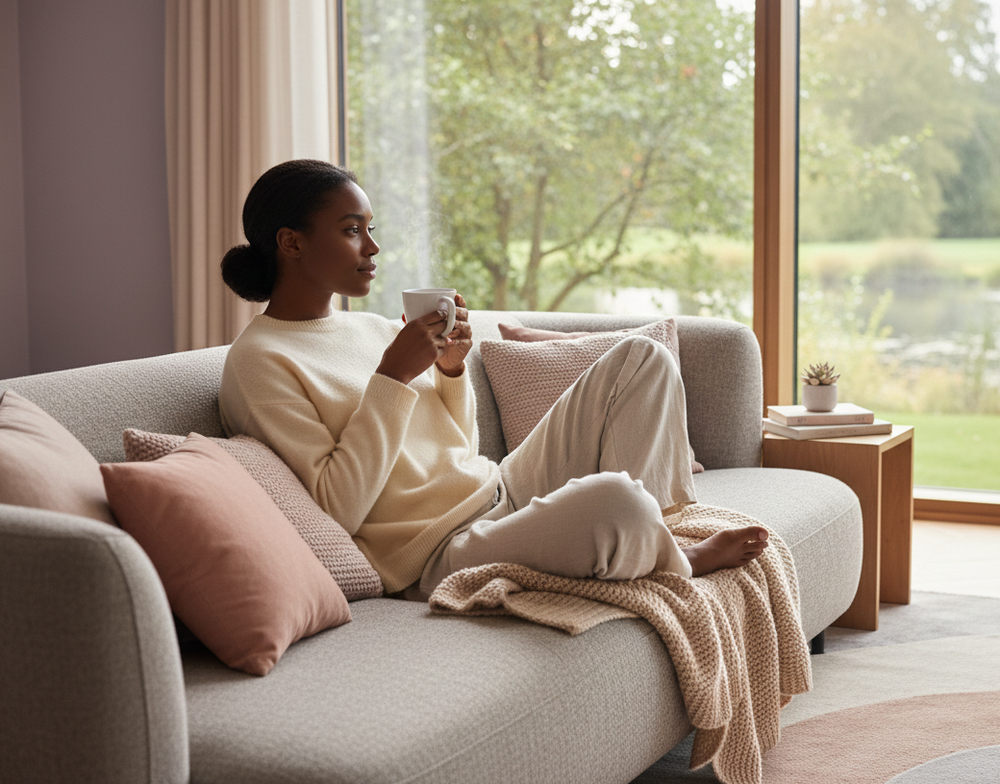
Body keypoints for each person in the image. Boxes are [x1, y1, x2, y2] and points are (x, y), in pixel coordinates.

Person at [218, 159, 768, 600]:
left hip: (502, 490)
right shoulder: (260, 362)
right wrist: (392, 376)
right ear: (291, 243)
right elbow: (336, 510)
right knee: (616, 501)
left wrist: (451, 372)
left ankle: (655, 533)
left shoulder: (370, 326)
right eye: (351, 231)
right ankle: (673, 557)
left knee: (642, 358)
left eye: (370, 229)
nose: (372, 247)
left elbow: (461, 450)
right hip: (439, 552)